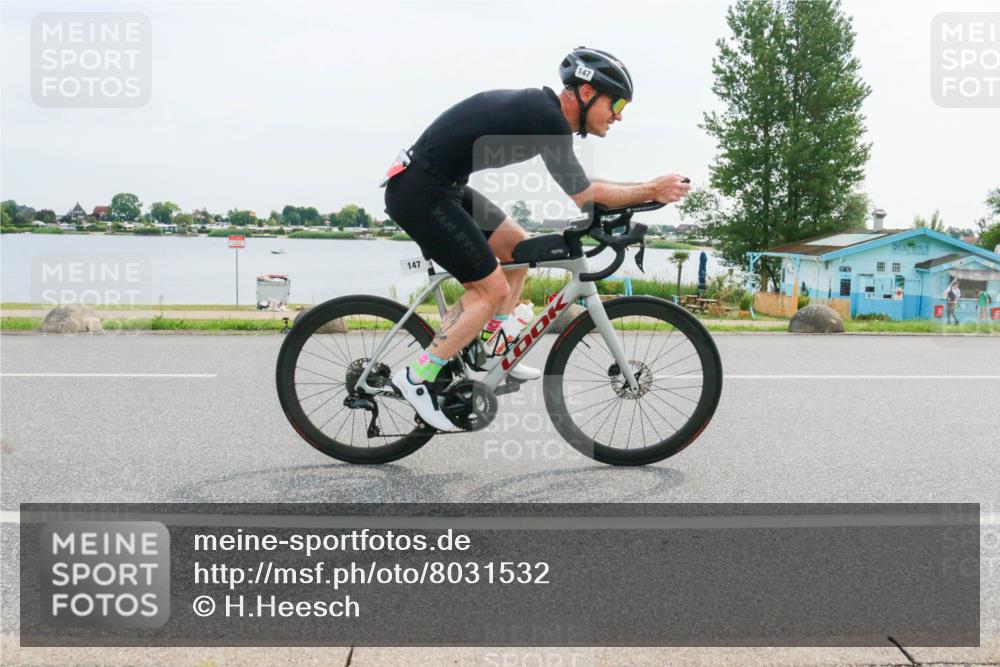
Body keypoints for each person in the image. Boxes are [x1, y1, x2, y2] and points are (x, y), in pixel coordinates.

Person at [382, 47, 691, 430]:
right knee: (489, 289)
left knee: (518, 248)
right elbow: (583, 192)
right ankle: (418, 377)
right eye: (618, 102)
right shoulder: (546, 117)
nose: (620, 114)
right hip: (419, 191)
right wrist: (649, 189)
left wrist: (647, 191)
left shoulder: (543, 115)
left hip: (442, 186)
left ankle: (487, 345)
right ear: (587, 92)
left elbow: (590, 188)